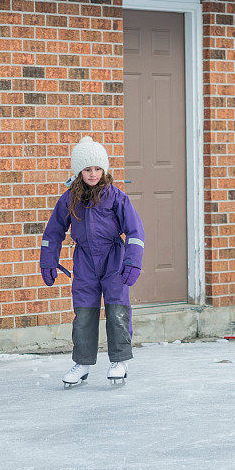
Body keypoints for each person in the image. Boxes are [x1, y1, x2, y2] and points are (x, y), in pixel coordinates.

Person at [39, 136, 145, 387]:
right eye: (88, 169)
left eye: (98, 168)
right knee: (84, 313)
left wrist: (133, 262)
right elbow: (53, 232)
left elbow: (135, 231)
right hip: (85, 260)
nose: (93, 174)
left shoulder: (116, 197)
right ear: (79, 171)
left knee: (117, 310)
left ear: (104, 170)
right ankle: (83, 362)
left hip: (113, 259)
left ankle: (119, 360)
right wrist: (48, 261)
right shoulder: (69, 199)